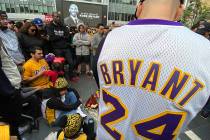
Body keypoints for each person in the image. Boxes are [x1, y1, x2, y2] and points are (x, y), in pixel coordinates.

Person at [94, 0, 210, 139]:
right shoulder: (205, 50)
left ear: (139, 8)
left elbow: (100, 83)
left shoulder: (109, 40)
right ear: (180, 10)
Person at [46, 12, 79, 82]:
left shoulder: (63, 25)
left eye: (58, 17)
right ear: (53, 17)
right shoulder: (49, 26)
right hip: (56, 48)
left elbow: (67, 36)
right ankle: (62, 77)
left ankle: (71, 76)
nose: (58, 18)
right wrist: (62, 36)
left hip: (66, 47)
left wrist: (59, 37)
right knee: (60, 64)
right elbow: (51, 38)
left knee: (71, 62)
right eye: (56, 16)